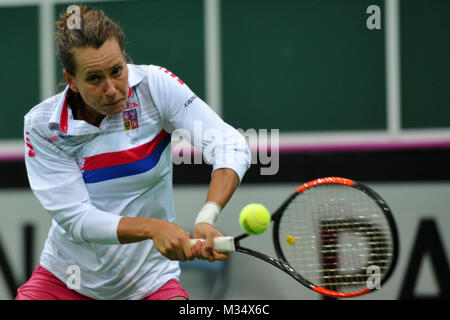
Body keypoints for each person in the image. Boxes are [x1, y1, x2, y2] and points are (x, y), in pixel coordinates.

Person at [17, 6, 250, 300]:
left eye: (117, 71)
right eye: (94, 78)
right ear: (71, 79)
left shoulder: (155, 88)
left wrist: (206, 216)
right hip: (66, 281)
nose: (112, 89)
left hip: (149, 285)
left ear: (126, 59)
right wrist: (153, 229)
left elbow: (230, 145)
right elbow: (78, 219)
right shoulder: (43, 127)